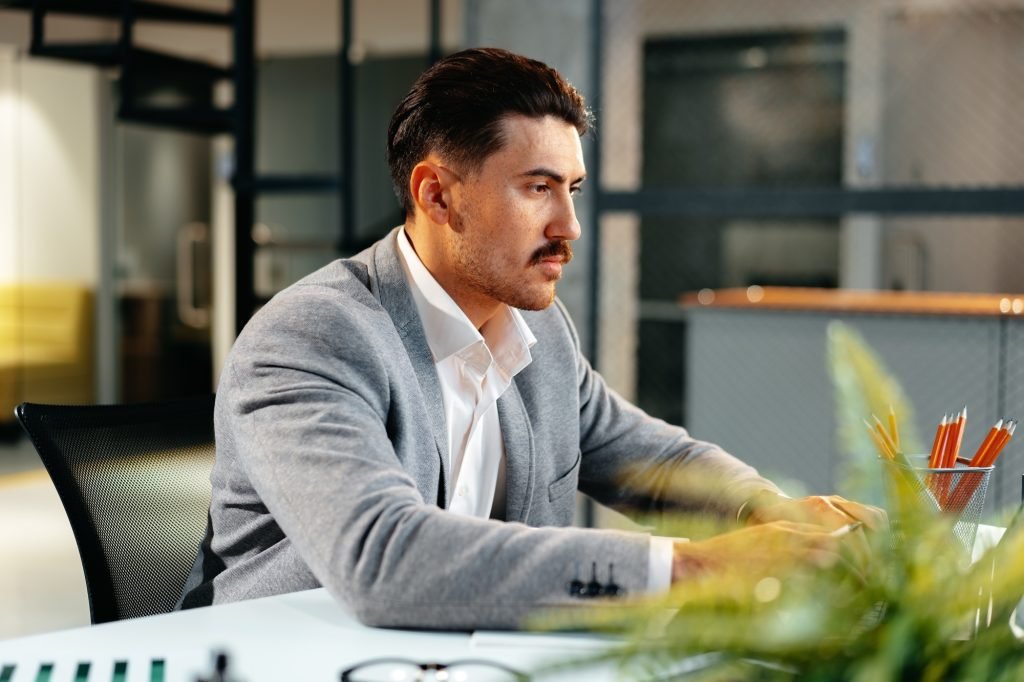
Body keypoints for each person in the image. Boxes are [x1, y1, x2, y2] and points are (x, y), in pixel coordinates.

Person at [178, 47, 883, 629]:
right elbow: (382, 558)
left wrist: (771, 513)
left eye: (572, 189)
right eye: (538, 188)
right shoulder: (313, 336)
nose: (569, 226)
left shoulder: (536, 326)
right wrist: (695, 567)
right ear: (437, 195)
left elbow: (652, 458)